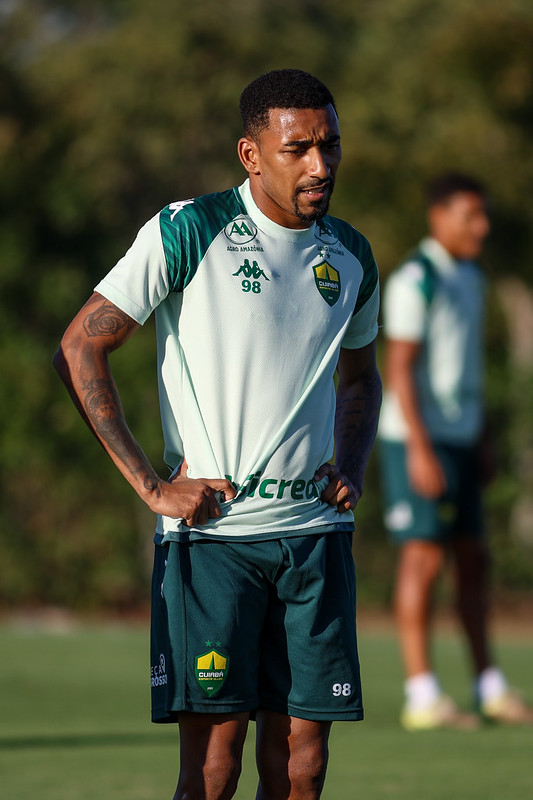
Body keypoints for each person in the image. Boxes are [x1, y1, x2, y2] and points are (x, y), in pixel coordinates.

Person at [54, 69, 382, 800]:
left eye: (330, 146)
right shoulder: (188, 229)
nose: (320, 166)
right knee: (211, 773)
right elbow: (80, 347)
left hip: (315, 542)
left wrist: (350, 465)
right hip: (212, 547)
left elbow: (360, 378)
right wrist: (151, 485)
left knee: (301, 771)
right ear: (251, 154)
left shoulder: (351, 253)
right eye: (298, 148)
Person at [378, 172, 533, 731]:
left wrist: (484, 436)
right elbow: (399, 369)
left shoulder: (471, 278)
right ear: (438, 217)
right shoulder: (415, 280)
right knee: (423, 558)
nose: (483, 227)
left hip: (463, 438)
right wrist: (421, 449)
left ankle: (489, 686)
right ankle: (422, 695)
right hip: (418, 438)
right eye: (472, 215)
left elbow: (465, 367)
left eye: (484, 215)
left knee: (474, 558)